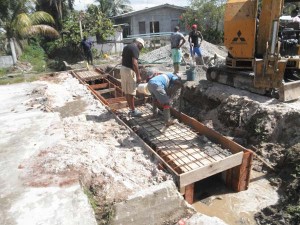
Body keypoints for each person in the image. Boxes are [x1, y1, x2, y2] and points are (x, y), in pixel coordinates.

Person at [120, 38, 145, 117]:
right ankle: (133, 111)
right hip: (129, 72)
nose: (140, 49)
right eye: (141, 47)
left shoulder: (126, 47)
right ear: (139, 44)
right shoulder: (135, 48)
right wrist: (138, 75)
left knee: (127, 91)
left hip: (123, 69)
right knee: (131, 92)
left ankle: (131, 109)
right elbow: (134, 63)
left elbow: (124, 59)